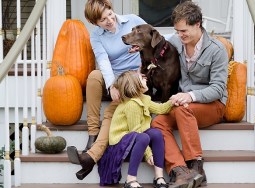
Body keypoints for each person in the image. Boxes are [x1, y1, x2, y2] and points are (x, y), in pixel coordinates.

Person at [151, 1, 229, 188]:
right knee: (157, 123)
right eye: (177, 31)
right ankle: (180, 170)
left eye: (184, 31)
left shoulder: (217, 50)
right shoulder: (175, 42)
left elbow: (218, 88)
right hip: (183, 105)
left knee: (182, 110)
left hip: (213, 105)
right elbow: (156, 58)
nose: (180, 35)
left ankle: (196, 168)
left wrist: (190, 95)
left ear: (197, 24)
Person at [66, 0, 146, 180]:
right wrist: (111, 85)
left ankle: (91, 156)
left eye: (109, 14)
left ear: (112, 9)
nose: (109, 20)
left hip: (136, 76)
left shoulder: (132, 20)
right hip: (115, 76)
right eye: (103, 20)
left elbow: (152, 37)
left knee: (111, 111)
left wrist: (142, 49)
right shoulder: (96, 36)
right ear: (95, 23)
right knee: (94, 76)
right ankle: (92, 133)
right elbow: (103, 62)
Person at [98, 70, 174, 188]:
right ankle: (130, 179)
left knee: (156, 134)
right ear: (134, 85)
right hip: (120, 141)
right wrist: (148, 154)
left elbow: (161, 109)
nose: (146, 78)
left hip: (135, 136)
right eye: (142, 78)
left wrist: (174, 100)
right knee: (143, 137)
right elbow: (136, 131)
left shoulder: (144, 98)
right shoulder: (132, 104)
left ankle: (159, 177)